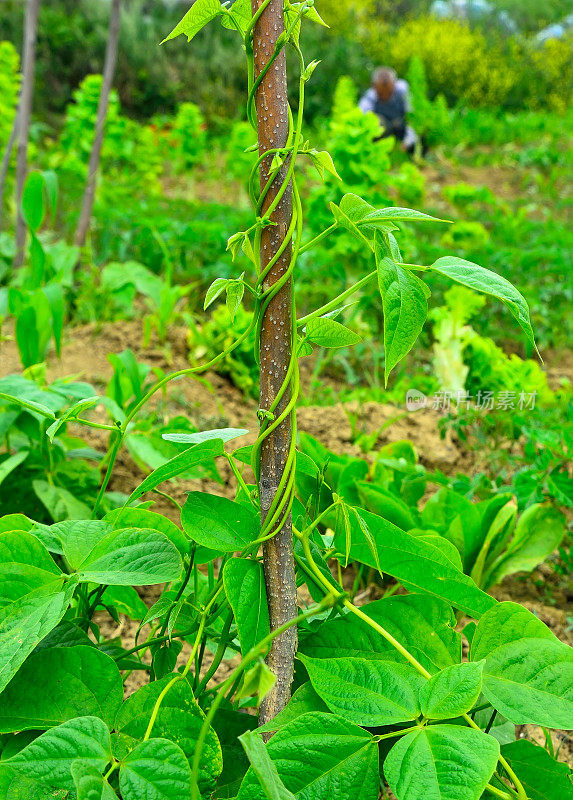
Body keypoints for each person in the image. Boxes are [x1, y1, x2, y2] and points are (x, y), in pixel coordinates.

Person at [359, 67, 419, 153]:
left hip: (402, 126)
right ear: (374, 86)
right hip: (383, 130)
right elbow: (361, 117)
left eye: (389, 92)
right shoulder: (370, 97)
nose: (385, 96)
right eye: (381, 93)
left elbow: (412, 119)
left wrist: (408, 140)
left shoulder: (403, 92)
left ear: (394, 84)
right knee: (375, 122)